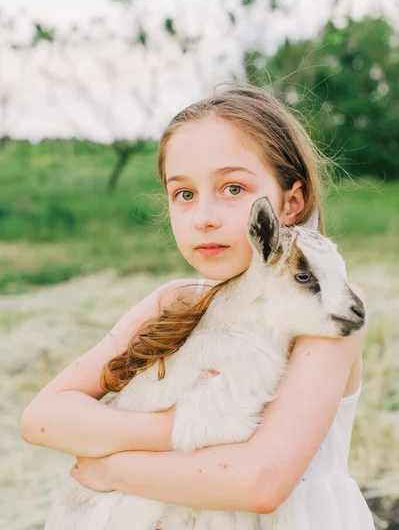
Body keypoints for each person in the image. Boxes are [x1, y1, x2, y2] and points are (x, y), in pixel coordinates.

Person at [21, 86, 375, 529]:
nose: (203, 216)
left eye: (232, 187)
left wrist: (112, 468)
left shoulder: (324, 312)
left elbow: (260, 483)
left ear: (290, 202)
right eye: (183, 194)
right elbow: (42, 419)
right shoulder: (174, 301)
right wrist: (174, 427)